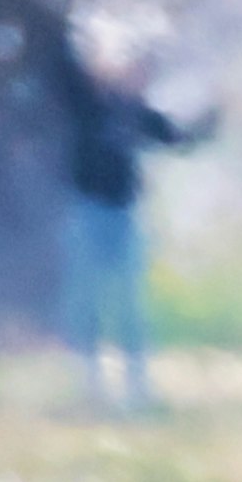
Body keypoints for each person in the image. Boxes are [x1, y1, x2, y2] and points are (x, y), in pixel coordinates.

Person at [53, 37, 214, 412]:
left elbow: (178, 138)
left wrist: (212, 117)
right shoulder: (87, 106)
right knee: (87, 301)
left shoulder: (139, 113)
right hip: (88, 212)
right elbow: (62, 67)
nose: (135, 77)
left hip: (124, 217)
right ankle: (90, 383)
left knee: (129, 305)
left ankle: (136, 387)